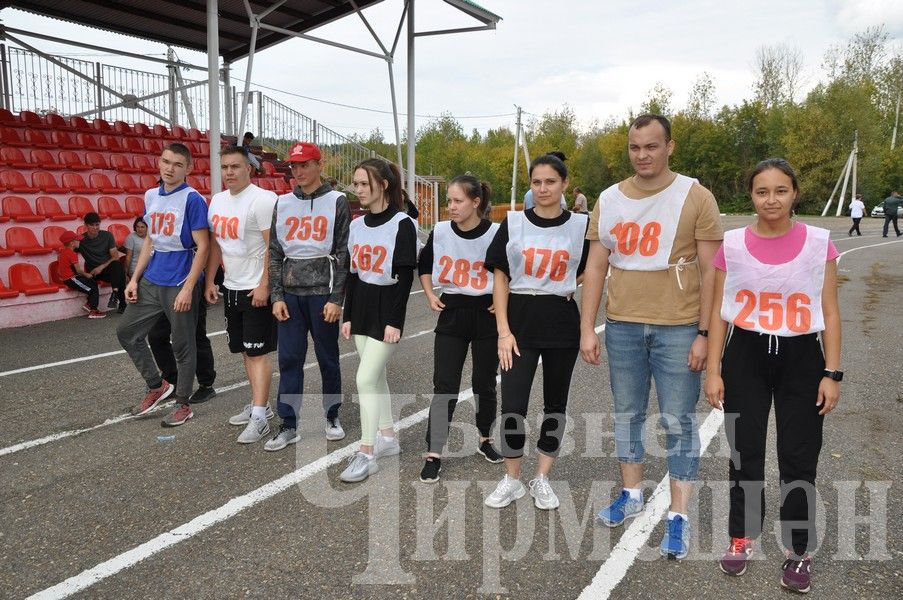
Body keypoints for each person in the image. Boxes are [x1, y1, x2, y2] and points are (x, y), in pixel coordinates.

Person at [579, 114, 723, 559]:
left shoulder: (696, 196)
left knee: (678, 421)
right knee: (627, 414)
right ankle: (632, 494)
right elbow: (597, 267)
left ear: (670, 147)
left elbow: (711, 273)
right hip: (622, 325)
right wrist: (588, 326)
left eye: (652, 146)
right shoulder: (609, 198)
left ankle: (678, 516)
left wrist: (703, 334)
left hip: (678, 328)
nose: (642, 155)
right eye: (635, 147)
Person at [705, 158, 841, 594]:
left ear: (794, 193)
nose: (771, 200)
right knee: (744, 451)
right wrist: (713, 369)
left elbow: (831, 313)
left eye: (780, 190)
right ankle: (741, 536)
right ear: (752, 195)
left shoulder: (820, 244)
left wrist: (832, 373)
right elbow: (718, 314)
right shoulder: (732, 244)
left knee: (799, 455)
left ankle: (798, 549)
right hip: (745, 353)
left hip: (802, 357)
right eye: (762, 191)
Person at [482, 154, 589, 510]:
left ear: (563, 184)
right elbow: (500, 276)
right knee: (513, 405)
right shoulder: (512, 223)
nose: (543, 189)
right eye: (537, 182)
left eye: (550, 182)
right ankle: (512, 479)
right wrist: (502, 331)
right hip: (519, 321)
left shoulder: (579, 226)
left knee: (555, 404)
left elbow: (590, 267)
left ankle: (542, 477)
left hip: (560, 321)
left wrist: (560, 285)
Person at [115, 143, 210, 426]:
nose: (170, 168)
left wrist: (188, 287)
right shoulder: (150, 195)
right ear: (159, 162)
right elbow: (151, 240)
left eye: (177, 164)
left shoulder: (192, 199)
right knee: (126, 332)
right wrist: (134, 278)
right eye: (166, 162)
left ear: (188, 169)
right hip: (153, 279)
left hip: (180, 279)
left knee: (183, 346)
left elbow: (203, 246)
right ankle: (157, 385)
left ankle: (183, 404)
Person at [418, 175, 502, 483]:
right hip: (452, 312)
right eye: (449, 201)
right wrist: (429, 293)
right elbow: (424, 264)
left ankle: (485, 438)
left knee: (484, 383)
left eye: (457, 201)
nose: (451, 207)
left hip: (486, 315)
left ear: (476, 202)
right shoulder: (440, 230)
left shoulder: (496, 232)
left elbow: (513, 268)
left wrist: (502, 298)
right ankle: (433, 452)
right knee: (445, 385)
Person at [267, 142, 350, 451]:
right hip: (289, 294)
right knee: (289, 359)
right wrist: (276, 295)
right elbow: (275, 252)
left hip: (323, 294)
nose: (298, 171)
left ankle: (331, 415)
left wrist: (336, 298)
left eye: (305, 164)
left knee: (328, 358)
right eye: (294, 166)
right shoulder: (283, 202)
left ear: (319, 164)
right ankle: (288, 423)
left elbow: (343, 254)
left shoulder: (337, 201)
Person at [339, 158, 417, 482]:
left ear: (382, 185)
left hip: (387, 309)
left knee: (364, 379)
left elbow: (404, 277)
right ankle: (388, 437)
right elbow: (352, 275)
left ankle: (366, 453)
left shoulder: (403, 224)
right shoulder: (357, 225)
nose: (357, 190)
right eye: (355, 184)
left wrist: (395, 321)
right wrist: (347, 315)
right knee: (377, 377)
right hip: (361, 308)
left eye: (362, 183)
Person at [203, 145, 280, 443]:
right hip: (232, 286)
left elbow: (273, 248)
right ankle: (261, 405)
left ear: (249, 168)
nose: (229, 173)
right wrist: (211, 280)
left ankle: (259, 416)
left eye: (235, 166)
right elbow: (217, 245)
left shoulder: (263, 200)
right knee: (246, 350)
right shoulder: (218, 201)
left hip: (255, 289)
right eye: (225, 167)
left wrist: (264, 285)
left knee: (258, 352)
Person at [76, 212, 126, 313]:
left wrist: (101, 267)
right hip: (93, 272)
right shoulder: (80, 240)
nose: (95, 228)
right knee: (120, 273)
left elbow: (115, 256)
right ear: (85, 225)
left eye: (97, 224)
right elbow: (69, 251)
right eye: (92, 225)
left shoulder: (107, 236)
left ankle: (115, 294)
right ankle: (122, 303)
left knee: (117, 265)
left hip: (106, 270)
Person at [56, 230, 105, 319]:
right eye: (77, 240)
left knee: (92, 283)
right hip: (70, 279)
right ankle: (93, 310)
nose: (79, 241)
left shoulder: (62, 253)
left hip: (70, 278)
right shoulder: (72, 254)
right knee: (93, 288)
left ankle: (89, 305)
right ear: (72, 243)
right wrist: (87, 275)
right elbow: (78, 270)